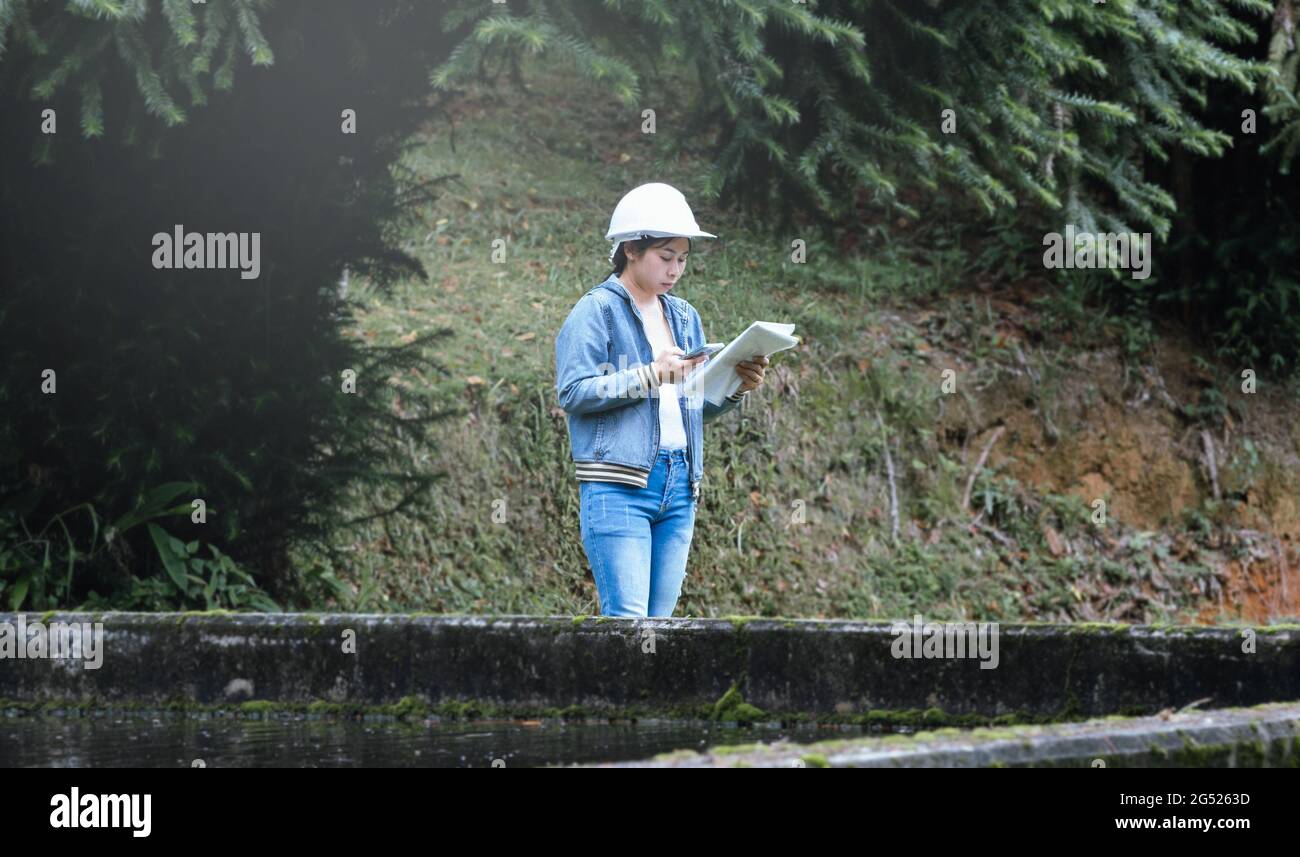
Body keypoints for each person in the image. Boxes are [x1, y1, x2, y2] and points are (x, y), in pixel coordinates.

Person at [554, 182, 769, 617]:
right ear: (631, 248)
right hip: (619, 486)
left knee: (661, 629)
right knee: (629, 625)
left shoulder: (685, 316)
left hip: (680, 485)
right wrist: (651, 374)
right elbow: (574, 391)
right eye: (666, 257)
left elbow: (691, 404)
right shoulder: (596, 311)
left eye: (683, 260)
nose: (675, 270)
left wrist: (735, 386)